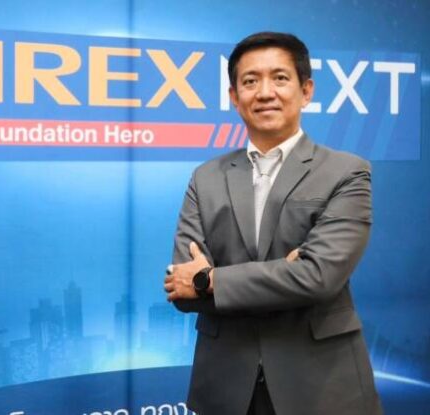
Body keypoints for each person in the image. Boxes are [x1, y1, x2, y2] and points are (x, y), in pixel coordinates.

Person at [163, 32, 382, 415]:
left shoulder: (346, 172)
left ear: (306, 90)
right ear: (234, 97)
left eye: (280, 78)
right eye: (250, 81)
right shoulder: (205, 178)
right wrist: (285, 272)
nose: (265, 92)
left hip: (323, 388)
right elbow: (182, 290)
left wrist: (210, 280)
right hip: (226, 388)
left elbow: (318, 277)